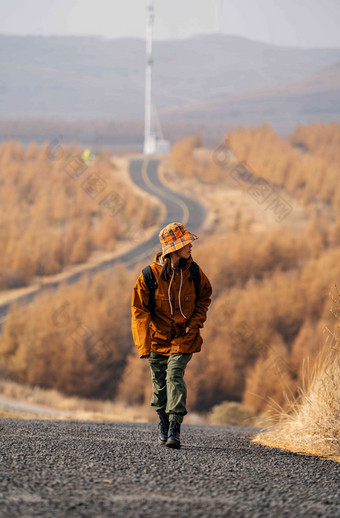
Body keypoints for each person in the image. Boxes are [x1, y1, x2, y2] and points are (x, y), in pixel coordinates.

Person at [131, 222, 212, 449]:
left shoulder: (194, 272)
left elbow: (205, 298)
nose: (190, 246)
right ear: (173, 248)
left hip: (184, 338)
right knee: (159, 383)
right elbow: (139, 312)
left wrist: (194, 324)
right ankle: (164, 422)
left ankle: (175, 428)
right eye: (186, 243)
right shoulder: (148, 276)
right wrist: (143, 345)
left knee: (174, 375)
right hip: (157, 339)